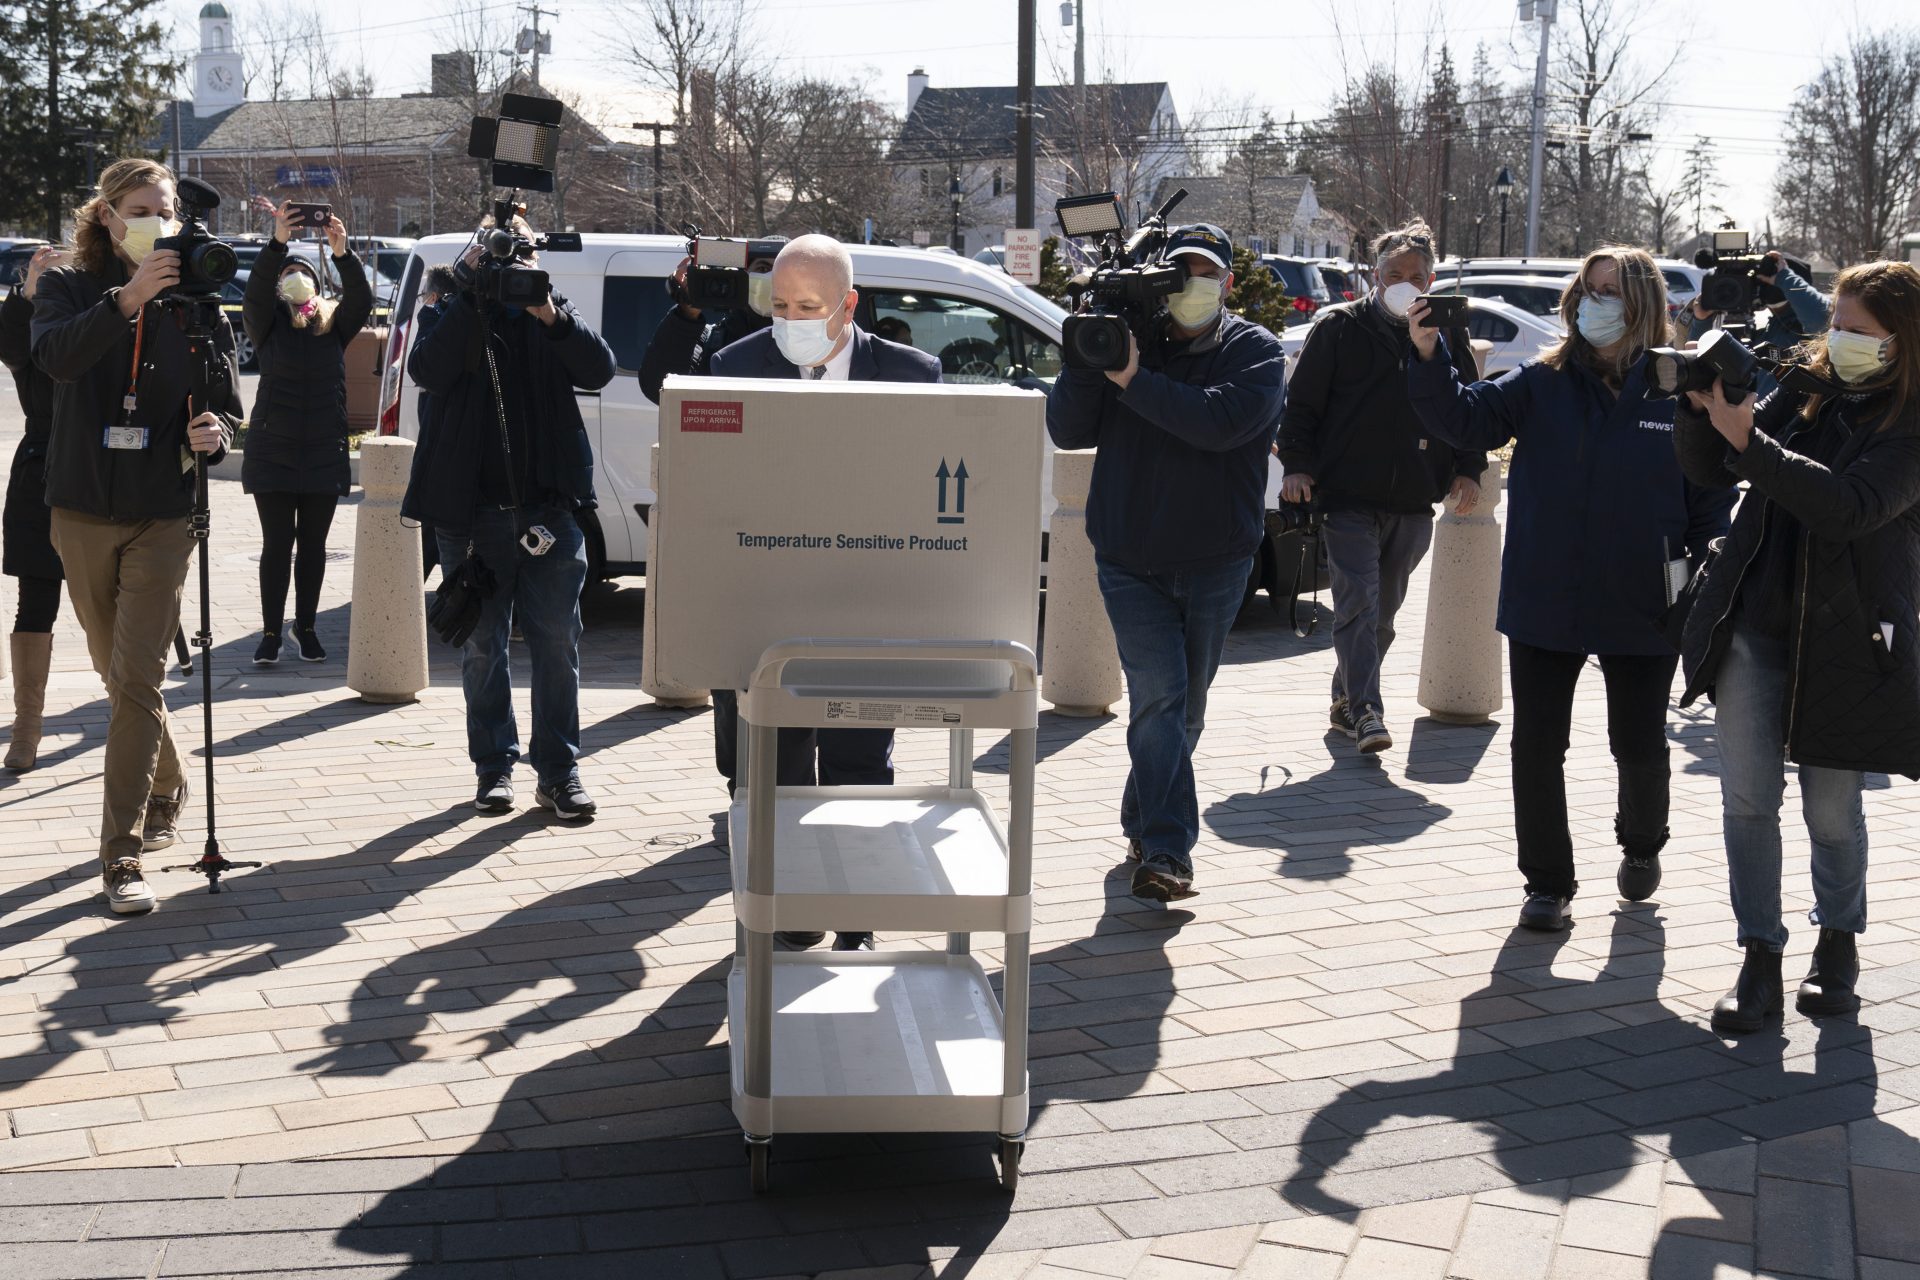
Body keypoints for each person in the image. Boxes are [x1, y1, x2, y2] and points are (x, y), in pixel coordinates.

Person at [1405, 246, 1737, 932]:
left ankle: (1643, 845)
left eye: (1610, 292)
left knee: (1639, 743)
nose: (1595, 304)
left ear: (1642, 303)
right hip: (1546, 591)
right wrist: (1430, 352)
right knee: (1537, 745)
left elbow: (1708, 493)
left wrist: (1707, 569)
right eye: (1587, 291)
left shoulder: (1680, 389)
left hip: (1646, 595)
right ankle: (1547, 884)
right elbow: (1462, 420)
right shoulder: (1542, 382)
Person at [1674, 260, 1920, 1034]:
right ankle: (1759, 958)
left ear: (1902, 342)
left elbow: (1850, 508)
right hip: (1754, 620)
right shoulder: (1810, 387)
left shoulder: (1911, 422)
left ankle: (1839, 943)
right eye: (1835, 325)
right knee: (1747, 799)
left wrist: (1750, 444)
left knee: (1832, 811)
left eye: (1858, 331)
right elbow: (1718, 465)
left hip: (1846, 636)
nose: (1839, 340)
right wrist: (1703, 407)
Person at [707, 233, 941, 952]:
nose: (791, 319)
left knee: (860, 768)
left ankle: (856, 918)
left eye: (808, 305)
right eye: (778, 304)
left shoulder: (911, 374)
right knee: (774, 770)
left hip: (868, 603)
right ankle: (790, 908)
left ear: (849, 304)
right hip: (765, 607)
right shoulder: (734, 367)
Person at [1045, 223, 1288, 903]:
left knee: (1184, 711)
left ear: (1227, 284)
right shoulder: (1130, 341)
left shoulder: (1257, 352)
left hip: (1216, 560)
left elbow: (1215, 423)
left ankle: (1143, 818)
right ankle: (1167, 851)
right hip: (1128, 556)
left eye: (1202, 273)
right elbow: (1068, 429)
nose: (1188, 285)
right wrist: (1088, 352)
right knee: (1159, 695)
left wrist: (1131, 377)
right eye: (1175, 272)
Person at [30, 157, 241, 914]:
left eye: (168, 207)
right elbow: (52, 357)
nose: (159, 218)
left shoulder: (198, 298)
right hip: (81, 505)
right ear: (109, 216)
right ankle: (167, 778)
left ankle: (120, 857)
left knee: (139, 678)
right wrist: (125, 299)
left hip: (163, 509)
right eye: (142, 207)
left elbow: (227, 399)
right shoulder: (68, 286)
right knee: (114, 673)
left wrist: (217, 430)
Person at [402, 215, 616, 822]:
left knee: (558, 643)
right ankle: (494, 769)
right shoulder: (451, 311)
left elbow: (598, 370)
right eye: (499, 252)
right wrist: (472, 289)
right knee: (481, 647)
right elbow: (429, 371)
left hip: (551, 511)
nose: (510, 266)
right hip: (470, 518)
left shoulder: (550, 312)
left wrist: (549, 313)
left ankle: (559, 771)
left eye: (521, 253)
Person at [1277, 219, 1485, 754]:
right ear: (1374, 275)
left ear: (1431, 280)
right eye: (1395, 273)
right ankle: (1368, 711)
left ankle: (1347, 694)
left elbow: (1469, 410)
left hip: (1415, 497)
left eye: (1416, 276)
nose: (1406, 284)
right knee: (1359, 603)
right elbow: (1299, 408)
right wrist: (1297, 466)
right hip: (1346, 495)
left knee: (1383, 612)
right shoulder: (1339, 327)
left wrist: (1469, 467)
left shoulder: (1446, 334)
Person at [240, 198, 373, 664]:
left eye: (305, 274)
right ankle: (272, 633)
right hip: (273, 450)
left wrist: (342, 252)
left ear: (317, 287)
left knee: (313, 546)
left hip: (321, 450)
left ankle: (308, 628)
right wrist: (278, 245)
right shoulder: (267, 326)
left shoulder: (333, 326)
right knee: (277, 545)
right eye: (288, 276)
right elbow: (254, 294)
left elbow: (362, 299)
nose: (297, 281)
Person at [0, 245, 73, 770]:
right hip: (40, 473)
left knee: (112, 611)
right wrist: (27, 291)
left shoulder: (97, 314)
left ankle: (134, 721)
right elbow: (8, 346)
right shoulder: (31, 327)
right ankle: (26, 729)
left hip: (103, 475)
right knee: (36, 600)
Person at [636, 239, 783, 405]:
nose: (772, 278)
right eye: (763, 269)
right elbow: (660, 389)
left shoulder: (811, 341)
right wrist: (686, 313)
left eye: (781, 272)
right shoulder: (712, 342)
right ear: (744, 277)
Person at [1687, 250, 1830, 355]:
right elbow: (1702, 364)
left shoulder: (1808, 332)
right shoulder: (1765, 333)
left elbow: (1822, 320)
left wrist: (1784, 278)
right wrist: (1702, 320)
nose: (1767, 283)